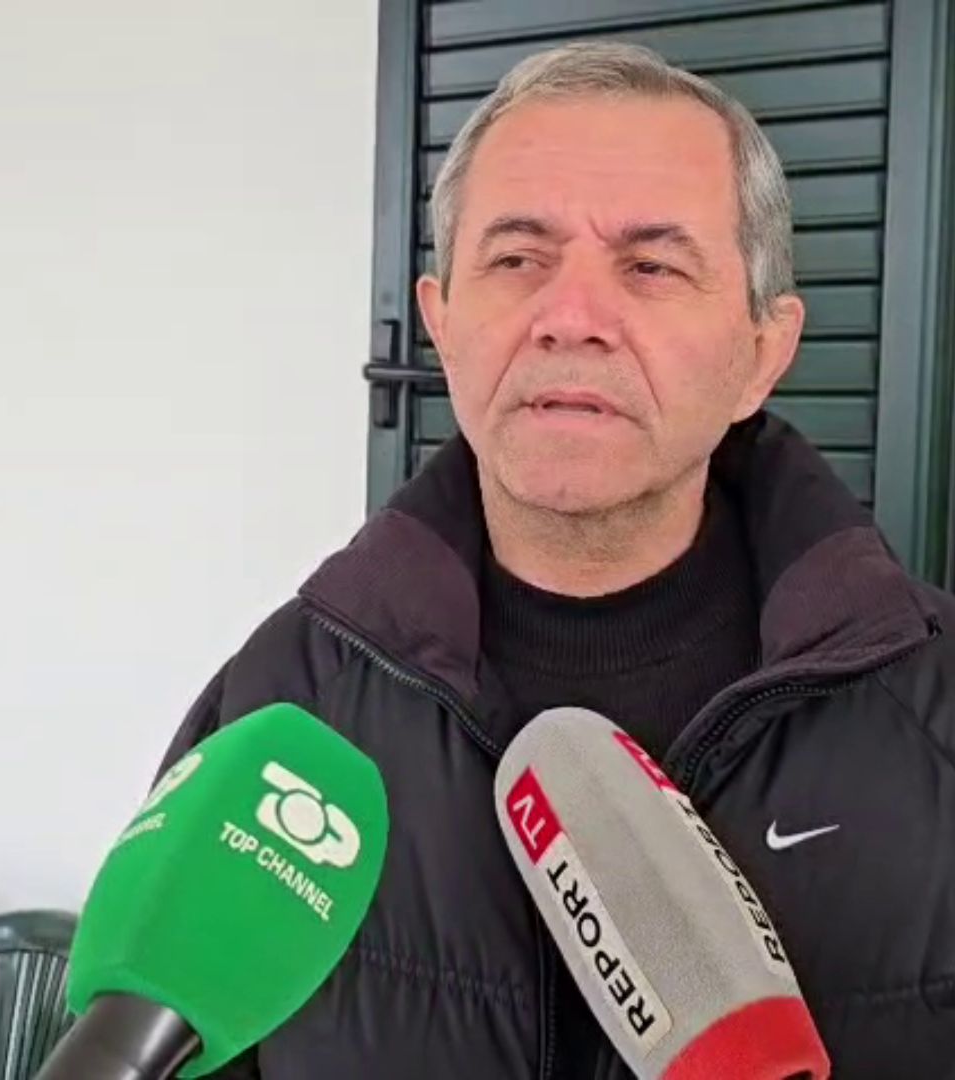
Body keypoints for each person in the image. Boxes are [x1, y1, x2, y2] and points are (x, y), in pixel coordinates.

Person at [166, 42, 955, 1076]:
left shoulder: (936, 712)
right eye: (517, 259)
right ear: (443, 325)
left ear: (763, 353)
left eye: (652, 266)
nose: (571, 320)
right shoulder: (280, 705)